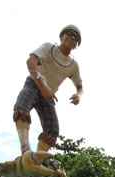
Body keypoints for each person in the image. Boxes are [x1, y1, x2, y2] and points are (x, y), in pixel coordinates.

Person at [13, 25, 83, 154]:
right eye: (69, 34)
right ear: (62, 36)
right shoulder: (48, 47)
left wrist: (78, 95)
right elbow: (31, 62)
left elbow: (79, 85)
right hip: (34, 83)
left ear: (76, 44)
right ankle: (25, 148)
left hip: (49, 95)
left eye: (75, 38)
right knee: (22, 106)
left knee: (52, 131)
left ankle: (39, 158)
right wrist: (43, 86)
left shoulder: (73, 65)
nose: (71, 38)